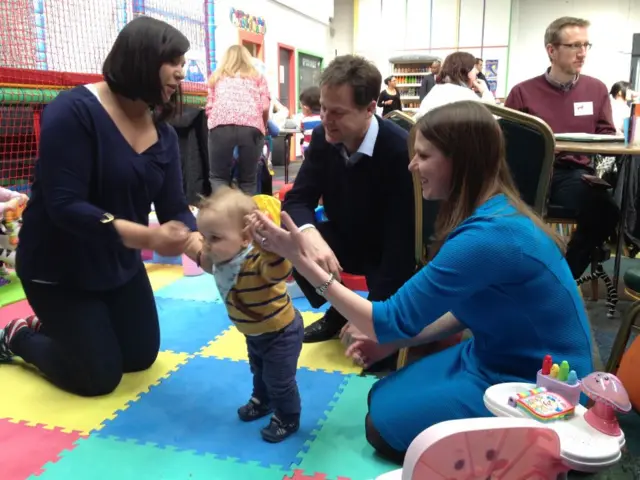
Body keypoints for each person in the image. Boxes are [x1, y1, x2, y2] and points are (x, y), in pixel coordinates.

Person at [247, 100, 593, 462]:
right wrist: (392, 339)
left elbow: (386, 319)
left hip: (545, 386)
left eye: (424, 156)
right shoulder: (491, 212)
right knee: (381, 397)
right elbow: (462, 312)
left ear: (460, 161)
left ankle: (533, 452)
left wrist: (300, 260)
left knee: (380, 428)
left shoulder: (488, 238)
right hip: (493, 353)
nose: (412, 165)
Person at [0, 16, 203, 397]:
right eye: (173, 62)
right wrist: (146, 235)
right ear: (141, 60)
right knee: (99, 378)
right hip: (59, 270)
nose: (181, 74)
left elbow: (175, 207)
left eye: (183, 63)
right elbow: (65, 205)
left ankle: (64, 330)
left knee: (140, 357)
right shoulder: (73, 111)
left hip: (118, 266)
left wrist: (200, 247)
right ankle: (19, 336)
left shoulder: (163, 134)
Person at [281, 55, 417, 348]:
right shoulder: (321, 138)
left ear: (370, 108)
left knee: (380, 333)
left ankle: (366, 314)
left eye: (338, 113)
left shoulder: (398, 149)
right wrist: (308, 234)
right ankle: (340, 309)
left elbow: (401, 241)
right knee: (291, 238)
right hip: (343, 239)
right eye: (323, 109)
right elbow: (296, 200)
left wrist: (375, 322)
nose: (326, 120)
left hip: (390, 250)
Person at [505, 16, 619, 279]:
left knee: (606, 211)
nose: (582, 53)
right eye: (574, 45)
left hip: (573, 173)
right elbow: (508, 143)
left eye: (586, 45)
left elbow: (605, 133)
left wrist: (613, 139)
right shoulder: (523, 92)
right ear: (552, 50)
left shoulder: (596, 89)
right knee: (498, 212)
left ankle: (561, 276)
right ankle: (507, 279)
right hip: (530, 175)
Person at [195, 187, 303, 442]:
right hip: (254, 333)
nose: (207, 245)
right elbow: (199, 254)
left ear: (245, 238)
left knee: (279, 380)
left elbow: (279, 269)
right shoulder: (222, 260)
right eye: (204, 237)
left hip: (281, 333)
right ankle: (262, 400)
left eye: (214, 238)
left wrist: (271, 247)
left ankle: (288, 417)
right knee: (259, 370)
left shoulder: (256, 261)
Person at [206, 45, 270, 194]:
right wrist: (262, 127)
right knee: (248, 180)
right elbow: (265, 107)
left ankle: (223, 215)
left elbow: (209, 107)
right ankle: (247, 216)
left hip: (220, 125)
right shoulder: (258, 77)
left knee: (218, 177)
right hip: (252, 126)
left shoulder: (216, 77)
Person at [415, 52, 494, 121]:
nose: (476, 72)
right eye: (474, 69)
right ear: (466, 71)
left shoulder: (436, 90)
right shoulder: (467, 96)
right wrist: (485, 92)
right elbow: (490, 119)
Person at [299, 86, 322, 158]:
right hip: (323, 150)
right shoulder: (325, 118)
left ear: (306, 108)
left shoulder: (304, 120)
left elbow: (302, 130)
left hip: (308, 150)